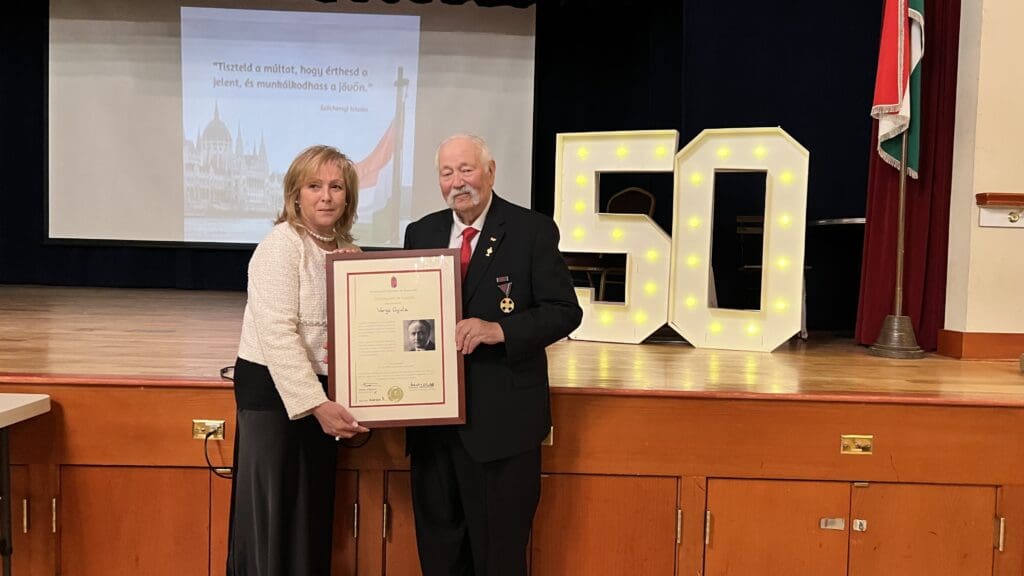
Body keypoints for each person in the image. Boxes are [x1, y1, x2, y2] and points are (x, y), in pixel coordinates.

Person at [403, 134, 583, 575]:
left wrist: (498, 329)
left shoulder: (530, 230)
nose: (457, 182)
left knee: (498, 560)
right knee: (440, 557)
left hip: (502, 428)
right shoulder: (420, 232)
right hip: (433, 429)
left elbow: (565, 312)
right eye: (447, 173)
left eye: (466, 169)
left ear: (491, 171)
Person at [227, 144, 369, 575]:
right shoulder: (280, 245)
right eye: (314, 186)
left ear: (348, 197)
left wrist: (358, 280)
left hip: (320, 397)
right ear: (295, 194)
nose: (325, 196)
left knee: (308, 516)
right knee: (274, 517)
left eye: (335, 187)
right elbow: (277, 336)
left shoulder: (348, 251)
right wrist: (316, 404)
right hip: (275, 395)